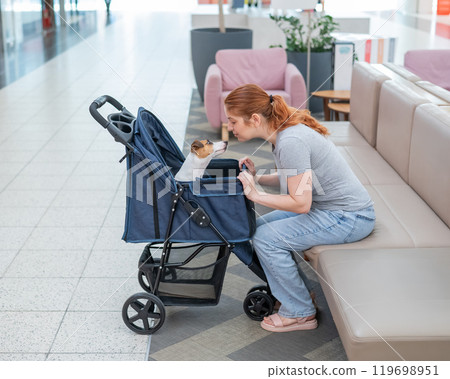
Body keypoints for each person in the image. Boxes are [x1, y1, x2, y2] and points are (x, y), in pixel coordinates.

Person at [224, 84, 375, 333]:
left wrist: (255, 194)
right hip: (329, 210)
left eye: (233, 122)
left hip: (350, 217)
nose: (230, 128)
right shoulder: (283, 134)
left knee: (266, 239)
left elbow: (300, 203)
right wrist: (257, 176)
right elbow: (293, 179)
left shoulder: (290, 141)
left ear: (254, 118)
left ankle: (300, 313)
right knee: (259, 228)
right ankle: (300, 297)